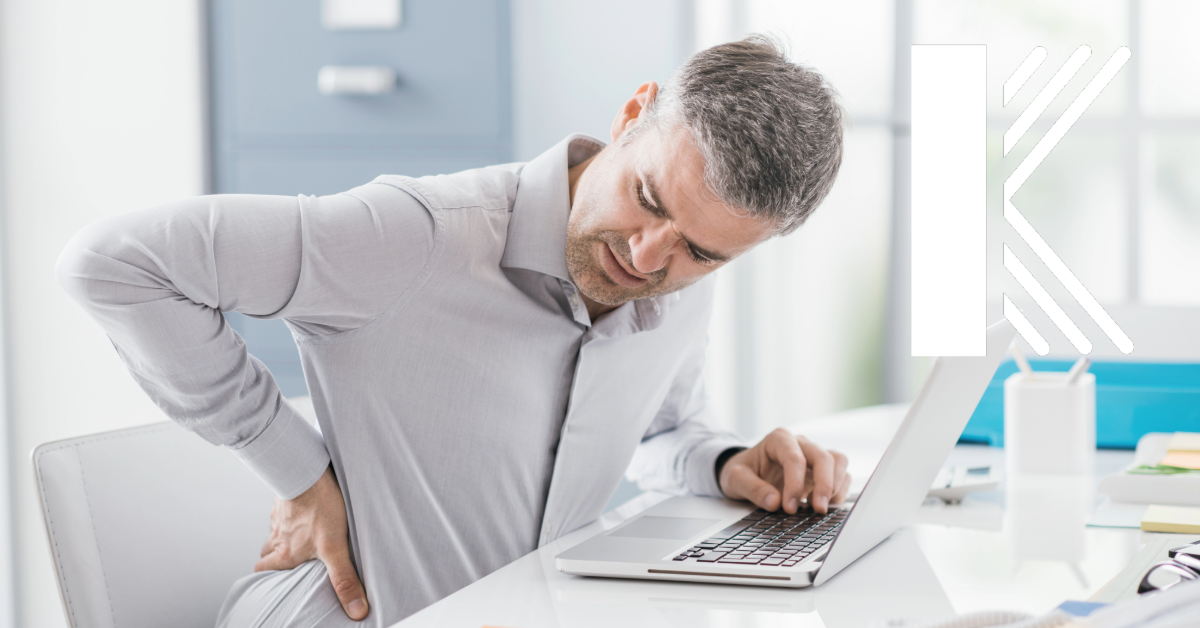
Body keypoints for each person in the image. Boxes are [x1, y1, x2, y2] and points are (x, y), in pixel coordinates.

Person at [57, 36, 849, 627]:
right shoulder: (411, 236)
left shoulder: (679, 285)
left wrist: (725, 461)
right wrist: (297, 472)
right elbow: (114, 264)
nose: (649, 256)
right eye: (647, 197)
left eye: (701, 252)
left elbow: (662, 428)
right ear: (632, 113)